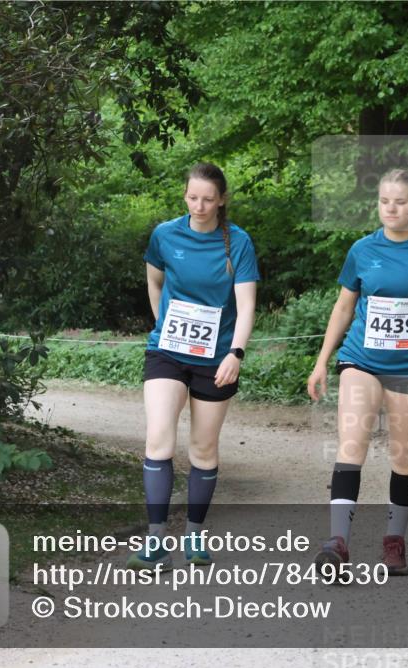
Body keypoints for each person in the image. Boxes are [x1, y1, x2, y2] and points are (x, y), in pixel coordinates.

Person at [306, 168, 408, 576]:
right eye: (383, 201)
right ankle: (337, 543)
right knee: (351, 444)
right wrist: (323, 359)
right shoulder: (362, 249)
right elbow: (343, 308)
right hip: (362, 360)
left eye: (398, 202)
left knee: (404, 454)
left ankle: (394, 540)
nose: (390, 208)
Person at [127, 162, 259, 570]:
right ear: (184, 195)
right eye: (192, 197)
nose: (199, 205)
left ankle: (196, 535)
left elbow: (247, 303)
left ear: (221, 200)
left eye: (207, 198)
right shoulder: (165, 234)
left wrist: (235, 354)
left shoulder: (237, 242)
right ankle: (155, 542)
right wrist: (160, 322)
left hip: (216, 357)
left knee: (202, 447)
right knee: (158, 438)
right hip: (167, 351)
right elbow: (154, 280)